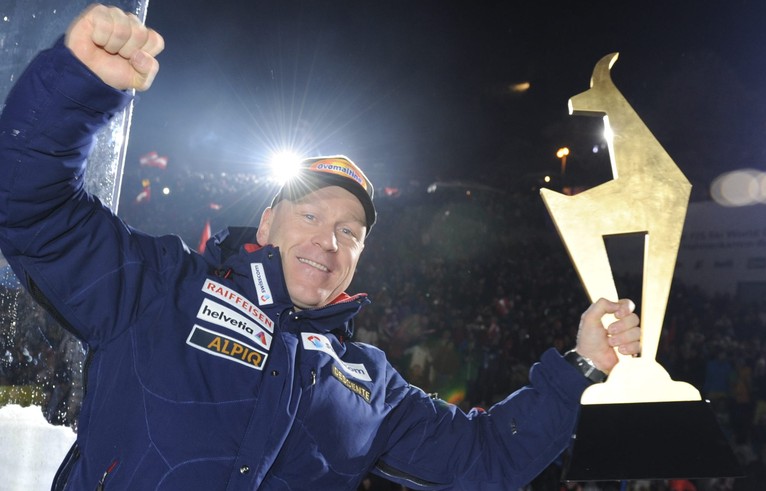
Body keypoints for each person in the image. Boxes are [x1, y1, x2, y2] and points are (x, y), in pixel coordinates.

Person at [0, 5, 641, 490]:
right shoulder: (162, 285)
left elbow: (486, 455)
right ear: (267, 221)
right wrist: (75, 86)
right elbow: (31, 205)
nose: (328, 240)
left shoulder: (368, 383)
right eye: (310, 214)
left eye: (350, 233)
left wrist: (579, 369)